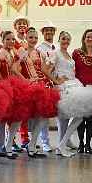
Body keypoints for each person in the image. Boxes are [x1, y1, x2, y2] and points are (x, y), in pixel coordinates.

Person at [44, 31, 92, 157]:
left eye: (68, 39)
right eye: (63, 39)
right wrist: (56, 80)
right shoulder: (55, 53)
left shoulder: (68, 54)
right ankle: (61, 145)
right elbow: (45, 69)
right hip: (64, 87)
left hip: (73, 84)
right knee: (67, 118)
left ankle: (62, 144)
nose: (66, 41)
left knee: (76, 116)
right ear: (59, 40)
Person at [14, 27, 50, 158]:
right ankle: (10, 145)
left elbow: (44, 69)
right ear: (26, 38)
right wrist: (26, 81)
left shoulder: (39, 52)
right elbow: (15, 69)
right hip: (26, 88)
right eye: (31, 37)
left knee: (40, 116)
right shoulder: (21, 51)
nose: (33, 40)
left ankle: (32, 144)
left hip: (40, 86)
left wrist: (54, 81)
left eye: (35, 38)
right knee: (22, 117)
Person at [72, 29, 92, 154]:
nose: (90, 39)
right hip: (80, 90)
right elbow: (70, 68)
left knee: (90, 119)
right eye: (88, 37)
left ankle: (88, 145)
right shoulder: (77, 53)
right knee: (80, 119)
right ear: (84, 39)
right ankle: (80, 144)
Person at [0, 30, 21, 159]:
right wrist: (5, 83)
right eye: (8, 39)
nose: (11, 42)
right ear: (2, 40)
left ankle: (5, 145)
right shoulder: (2, 52)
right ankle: (1, 147)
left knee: (11, 118)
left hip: (12, 87)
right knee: (2, 120)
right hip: (5, 89)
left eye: (13, 39)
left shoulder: (11, 52)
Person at [36, 21, 57, 153]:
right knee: (44, 114)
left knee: (60, 113)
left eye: (51, 30)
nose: (49, 32)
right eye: (46, 30)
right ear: (42, 33)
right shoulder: (39, 49)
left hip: (56, 83)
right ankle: (44, 141)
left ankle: (64, 139)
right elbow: (42, 69)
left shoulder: (56, 47)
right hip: (46, 83)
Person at [13, 16, 30, 149]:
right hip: (15, 79)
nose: (22, 26)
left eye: (24, 24)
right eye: (19, 24)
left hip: (27, 80)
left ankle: (25, 138)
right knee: (13, 111)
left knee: (24, 111)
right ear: (15, 26)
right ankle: (10, 140)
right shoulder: (12, 41)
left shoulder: (29, 41)